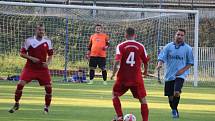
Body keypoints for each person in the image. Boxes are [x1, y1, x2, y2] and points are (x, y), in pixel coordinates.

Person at [9, 24, 53, 114]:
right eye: (40, 30)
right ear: (36, 30)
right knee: (20, 84)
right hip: (30, 68)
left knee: (49, 88)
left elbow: (51, 55)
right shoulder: (29, 41)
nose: (41, 32)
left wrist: (47, 63)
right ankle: (16, 103)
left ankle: (46, 107)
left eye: (43, 30)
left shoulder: (47, 42)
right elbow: (22, 53)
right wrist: (32, 58)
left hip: (42, 69)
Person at [110, 27, 149, 121]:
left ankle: (119, 116)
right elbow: (146, 61)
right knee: (143, 100)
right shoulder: (140, 46)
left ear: (125, 35)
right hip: (136, 78)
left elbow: (117, 61)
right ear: (135, 35)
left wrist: (113, 73)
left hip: (123, 77)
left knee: (114, 95)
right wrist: (145, 71)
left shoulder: (121, 46)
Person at [156, 29, 194, 118]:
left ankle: (174, 110)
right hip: (169, 75)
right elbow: (162, 57)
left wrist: (182, 70)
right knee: (170, 97)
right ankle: (174, 110)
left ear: (184, 37)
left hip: (180, 75)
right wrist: (159, 65)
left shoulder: (188, 48)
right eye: (178, 34)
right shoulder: (168, 46)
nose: (179, 36)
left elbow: (190, 63)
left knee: (176, 92)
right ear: (175, 35)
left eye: (181, 35)